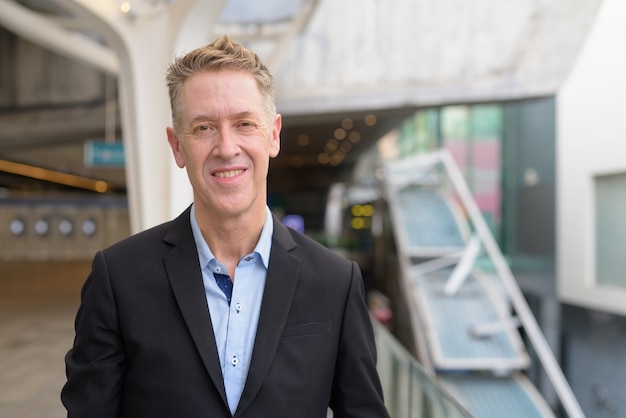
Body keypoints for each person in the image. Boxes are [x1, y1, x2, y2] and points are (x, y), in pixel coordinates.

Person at [61, 35, 389, 418]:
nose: (227, 147)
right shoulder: (118, 279)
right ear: (177, 146)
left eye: (244, 123)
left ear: (273, 134)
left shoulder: (335, 282)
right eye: (204, 128)